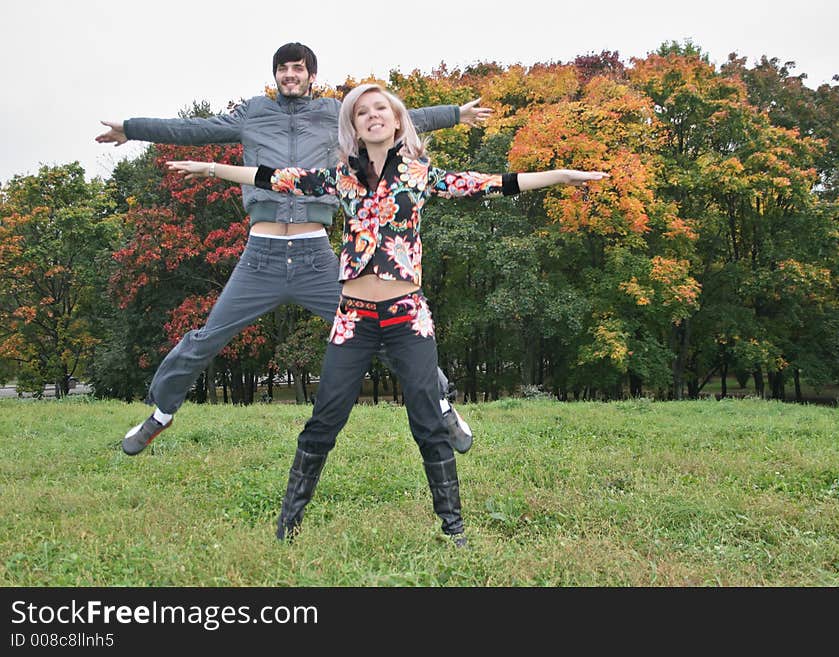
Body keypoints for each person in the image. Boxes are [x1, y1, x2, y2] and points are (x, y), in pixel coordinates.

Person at [167, 83, 610, 546]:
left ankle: (454, 531)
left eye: (382, 109)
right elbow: (271, 177)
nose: (373, 116)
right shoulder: (339, 178)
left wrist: (559, 175)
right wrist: (210, 168)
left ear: (398, 121)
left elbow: (493, 182)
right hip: (353, 318)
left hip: (407, 316)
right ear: (354, 127)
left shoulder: (420, 175)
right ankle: (286, 530)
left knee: (428, 421)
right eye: (363, 112)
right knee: (324, 420)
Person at [96, 43, 488, 455]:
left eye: (297, 69)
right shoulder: (253, 114)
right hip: (260, 257)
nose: (290, 75)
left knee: (389, 333)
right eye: (283, 69)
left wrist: (455, 114)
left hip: (314, 257)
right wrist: (131, 127)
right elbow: (196, 129)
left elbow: (396, 117)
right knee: (205, 338)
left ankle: (441, 405)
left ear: (311, 75)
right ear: (276, 76)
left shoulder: (334, 115)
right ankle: (160, 414)